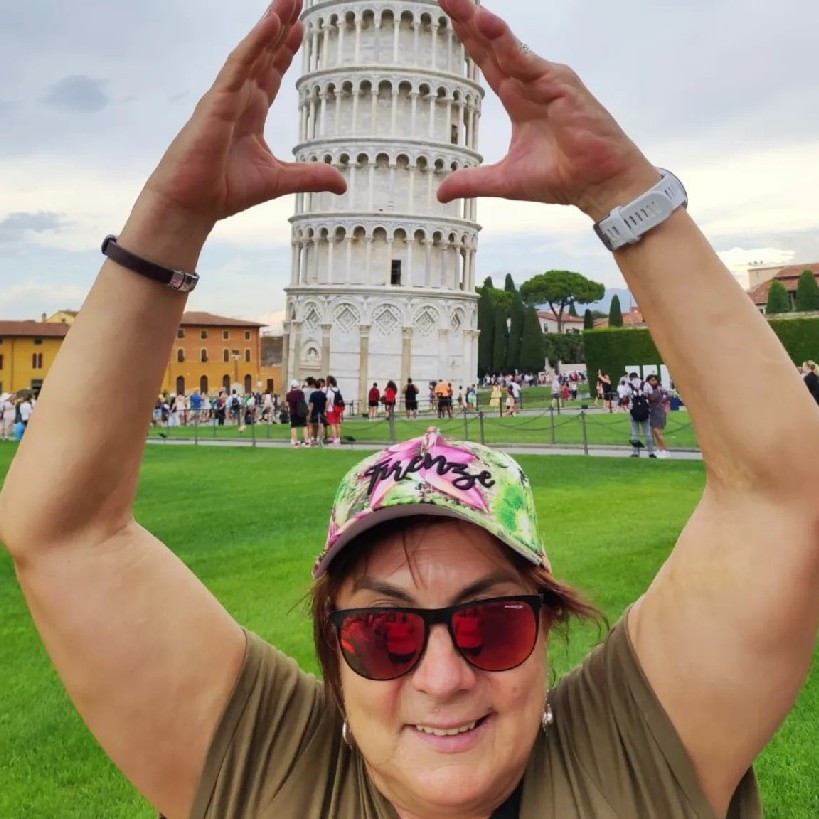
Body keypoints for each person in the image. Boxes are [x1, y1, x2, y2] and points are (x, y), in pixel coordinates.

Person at [1, 3, 818, 818]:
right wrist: (168, 219)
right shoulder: (277, 776)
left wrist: (624, 195)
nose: (442, 677)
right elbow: (62, 532)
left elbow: (787, 496)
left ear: (546, 629)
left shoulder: (627, 763)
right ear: (333, 659)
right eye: (383, 635)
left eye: (493, 624)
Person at [626, 372, 656, 458]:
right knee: (647, 432)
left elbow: (624, 398)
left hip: (633, 410)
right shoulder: (646, 384)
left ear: (630, 378)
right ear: (638, 377)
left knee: (635, 433)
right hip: (645, 410)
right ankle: (651, 452)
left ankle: (636, 453)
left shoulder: (628, 385)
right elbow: (651, 397)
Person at [646, 373, 671, 458]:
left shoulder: (660, 389)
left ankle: (665, 450)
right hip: (652, 411)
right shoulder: (647, 389)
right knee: (655, 432)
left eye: (654, 380)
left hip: (659, 411)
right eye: (651, 380)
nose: (653, 382)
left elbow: (670, 394)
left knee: (657, 431)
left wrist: (663, 400)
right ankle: (660, 449)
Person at [285, 379, 308, 448]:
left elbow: (287, 404)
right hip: (301, 411)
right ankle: (306, 442)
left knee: (293, 427)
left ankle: (296, 443)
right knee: (304, 426)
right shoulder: (301, 393)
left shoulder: (288, 394)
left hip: (293, 412)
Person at [324, 375, 344, 444]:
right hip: (337, 409)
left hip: (331, 409)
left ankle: (334, 438)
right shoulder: (337, 389)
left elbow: (328, 401)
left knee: (332, 425)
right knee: (337, 424)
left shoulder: (330, 390)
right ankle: (338, 438)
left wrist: (325, 409)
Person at [307, 379, 327, 446]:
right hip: (321, 411)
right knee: (321, 426)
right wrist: (325, 410)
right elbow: (326, 402)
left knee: (311, 425)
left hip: (314, 412)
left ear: (315, 386)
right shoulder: (323, 394)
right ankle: (320, 439)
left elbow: (311, 405)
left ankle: (309, 439)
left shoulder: (312, 395)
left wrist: (309, 414)